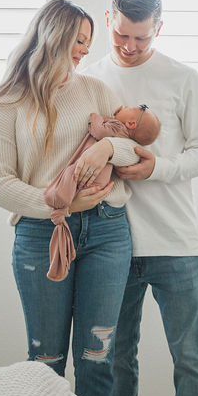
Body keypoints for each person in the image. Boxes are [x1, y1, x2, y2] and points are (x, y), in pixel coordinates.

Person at [0, 0, 141, 396]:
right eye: (77, 42)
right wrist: (59, 206)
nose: (82, 53)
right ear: (52, 35)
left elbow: (133, 150)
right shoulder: (6, 102)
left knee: (96, 357)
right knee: (46, 358)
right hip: (41, 235)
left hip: (108, 231)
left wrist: (105, 149)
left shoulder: (95, 91)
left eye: (88, 44)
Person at [84, 0, 198, 396]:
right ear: (107, 20)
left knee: (190, 358)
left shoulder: (183, 78)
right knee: (115, 358)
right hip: (109, 243)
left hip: (176, 242)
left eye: (141, 38)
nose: (129, 46)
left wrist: (155, 167)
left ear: (158, 29)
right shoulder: (90, 79)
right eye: (122, 35)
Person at [44, 105, 161, 281]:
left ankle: (57, 201)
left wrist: (94, 117)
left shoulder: (116, 128)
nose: (126, 105)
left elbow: (98, 130)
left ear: (130, 123)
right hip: (100, 180)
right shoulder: (121, 131)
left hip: (94, 177)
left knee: (71, 175)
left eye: (137, 107)